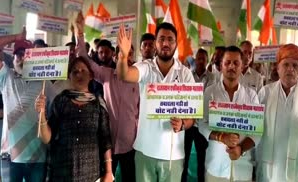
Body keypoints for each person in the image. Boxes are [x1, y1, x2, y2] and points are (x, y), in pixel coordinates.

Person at [117, 22, 195, 182]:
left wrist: (182, 124)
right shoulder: (146, 67)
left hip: (173, 155)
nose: (165, 43)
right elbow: (124, 75)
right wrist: (123, 56)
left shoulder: (185, 74)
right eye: (161, 39)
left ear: (176, 43)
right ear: (155, 43)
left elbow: (192, 117)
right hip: (145, 151)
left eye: (170, 39)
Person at [76, 11, 139, 182]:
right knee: (104, 178)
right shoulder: (106, 74)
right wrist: (80, 33)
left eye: (129, 54)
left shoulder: (139, 80)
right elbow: (85, 60)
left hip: (130, 143)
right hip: (107, 141)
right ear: (116, 55)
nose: (125, 57)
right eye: (121, 53)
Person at [35, 57, 113, 182]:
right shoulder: (61, 100)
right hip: (62, 172)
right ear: (69, 77)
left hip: (91, 173)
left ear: (91, 75)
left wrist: (109, 172)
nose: (79, 74)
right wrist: (41, 114)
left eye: (83, 70)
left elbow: (105, 140)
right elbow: (47, 138)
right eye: (75, 71)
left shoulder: (98, 103)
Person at [256, 44, 298, 181]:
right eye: (286, 65)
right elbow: (254, 127)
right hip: (268, 167)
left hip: (295, 170)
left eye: (295, 66)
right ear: (278, 69)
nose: (290, 69)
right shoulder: (265, 93)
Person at [0, 29, 55, 182]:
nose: (22, 58)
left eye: (26, 54)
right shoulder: (6, 77)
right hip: (10, 156)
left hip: (37, 156)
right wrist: (16, 37)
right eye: (18, 54)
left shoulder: (45, 83)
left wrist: (45, 114)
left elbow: (57, 112)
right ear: (14, 57)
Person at [199, 46, 259, 182]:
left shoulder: (251, 95)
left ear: (242, 66)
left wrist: (241, 148)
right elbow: (202, 124)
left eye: (236, 63)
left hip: (243, 168)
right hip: (216, 166)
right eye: (227, 62)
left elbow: (257, 132)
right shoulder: (210, 92)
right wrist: (221, 137)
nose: (231, 66)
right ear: (221, 65)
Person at [182, 48, 214, 182]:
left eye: (203, 59)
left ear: (207, 61)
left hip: (203, 122)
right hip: (189, 122)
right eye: (198, 58)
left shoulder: (213, 78)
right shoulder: (188, 75)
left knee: (202, 157)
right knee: (184, 155)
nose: (201, 61)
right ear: (195, 59)